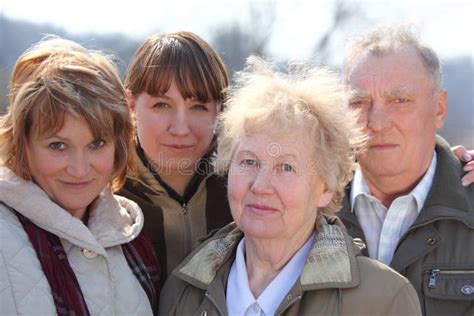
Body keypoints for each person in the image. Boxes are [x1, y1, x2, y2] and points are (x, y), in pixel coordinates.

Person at [159, 56, 422, 315]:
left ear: (326, 187)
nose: (261, 186)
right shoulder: (183, 292)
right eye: (249, 161)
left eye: (286, 167)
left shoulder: (383, 300)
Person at [0, 37, 159, 315]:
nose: (79, 169)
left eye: (96, 144)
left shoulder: (133, 239)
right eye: (57, 146)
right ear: (23, 144)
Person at [337, 24, 474, 315]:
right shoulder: (308, 209)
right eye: (359, 102)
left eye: (400, 100)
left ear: (439, 108)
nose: (377, 122)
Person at [118, 31, 233, 285]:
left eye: (198, 107)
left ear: (220, 110)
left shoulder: (242, 191)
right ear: (132, 105)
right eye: (162, 105)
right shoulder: (102, 196)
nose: (181, 128)